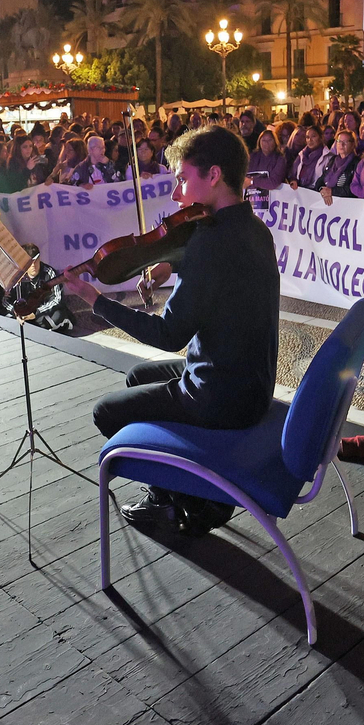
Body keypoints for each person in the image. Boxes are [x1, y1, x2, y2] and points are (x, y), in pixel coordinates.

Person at [64, 126, 278, 533]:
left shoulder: (208, 245)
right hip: (252, 382)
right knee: (136, 376)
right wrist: (173, 263)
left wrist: (96, 301)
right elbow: (222, 276)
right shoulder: (254, 230)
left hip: (219, 395)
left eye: (182, 178)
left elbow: (168, 336)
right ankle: (176, 488)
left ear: (214, 175)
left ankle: (185, 496)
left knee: (106, 412)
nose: (176, 194)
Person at [6, 243, 73, 333]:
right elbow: (5, 299)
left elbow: (57, 299)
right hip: (22, 314)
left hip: (42, 312)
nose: (33, 265)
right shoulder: (16, 276)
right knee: (6, 318)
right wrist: (16, 312)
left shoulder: (49, 272)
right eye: (30, 262)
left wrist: (36, 313)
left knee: (57, 315)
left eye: (36, 260)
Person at [314, 129, 360, 203]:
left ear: (353, 144)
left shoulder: (357, 163)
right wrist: (322, 190)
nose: (341, 145)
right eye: (339, 141)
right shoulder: (333, 160)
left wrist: (332, 191)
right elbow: (321, 180)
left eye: (345, 142)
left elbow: (354, 188)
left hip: (346, 204)